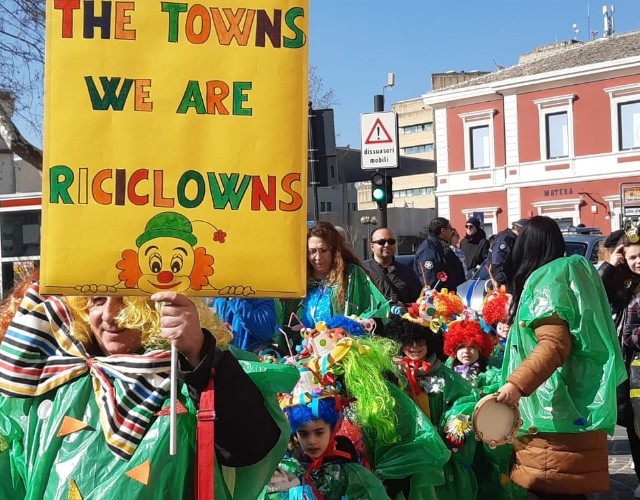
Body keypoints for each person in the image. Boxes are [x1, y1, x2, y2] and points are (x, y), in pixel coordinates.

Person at [0, 276, 297, 499]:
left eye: (126, 301)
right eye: (97, 300)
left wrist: (198, 354)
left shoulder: (187, 369)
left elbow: (250, 446)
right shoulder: (63, 378)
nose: (109, 316)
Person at [496, 216, 626, 499]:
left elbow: (553, 345)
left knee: (552, 490)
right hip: (572, 405)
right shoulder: (572, 272)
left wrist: (515, 385)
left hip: (553, 413)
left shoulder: (548, 280)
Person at [264, 369, 391, 500]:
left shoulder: (352, 473)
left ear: (332, 429)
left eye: (319, 432)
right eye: (303, 434)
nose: (311, 441)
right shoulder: (291, 468)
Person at [278, 221, 389, 330]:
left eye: (323, 250)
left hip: (343, 345)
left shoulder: (351, 275)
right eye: (312, 251)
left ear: (335, 251)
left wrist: (353, 325)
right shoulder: (301, 279)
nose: (317, 257)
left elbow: (374, 308)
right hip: (304, 346)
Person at [598, 230, 640, 498]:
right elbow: (597, 295)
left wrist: (631, 336)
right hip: (631, 367)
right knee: (636, 425)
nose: (638, 262)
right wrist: (610, 265)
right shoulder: (625, 284)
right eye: (632, 257)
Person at [362, 227, 422, 305]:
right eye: (381, 242)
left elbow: (418, 303)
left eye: (391, 241)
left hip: (401, 316)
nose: (386, 245)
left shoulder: (408, 272)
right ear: (372, 246)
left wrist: (405, 307)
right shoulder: (362, 270)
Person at [414, 217, 465, 292]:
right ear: (443, 231)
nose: (451, 232)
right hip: (437, 299)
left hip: (449, 295)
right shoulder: (428, 250)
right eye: (451, 229)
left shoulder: (441, 246)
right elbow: (429, 280)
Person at [491, 218, 528, 289]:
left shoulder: (513, 240)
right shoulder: (505, 241)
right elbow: (498, 266)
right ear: (518, 230)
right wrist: (504, 286)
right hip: (502, 287)